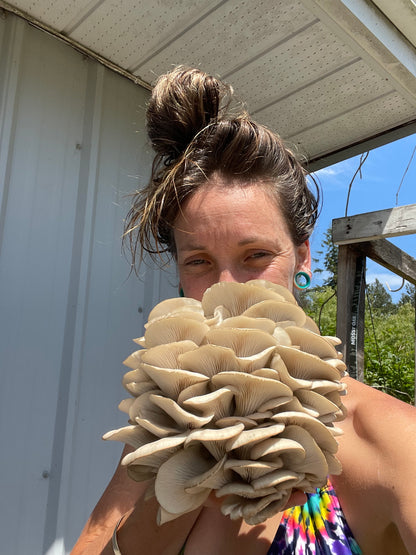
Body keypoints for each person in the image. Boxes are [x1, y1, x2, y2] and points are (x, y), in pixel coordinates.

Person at [72, 67, 416, 555]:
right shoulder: (167, 418)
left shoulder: (393, 441)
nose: (226, 287)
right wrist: (180, 483)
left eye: (256, 255)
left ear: (302, 256)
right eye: (199, 261)